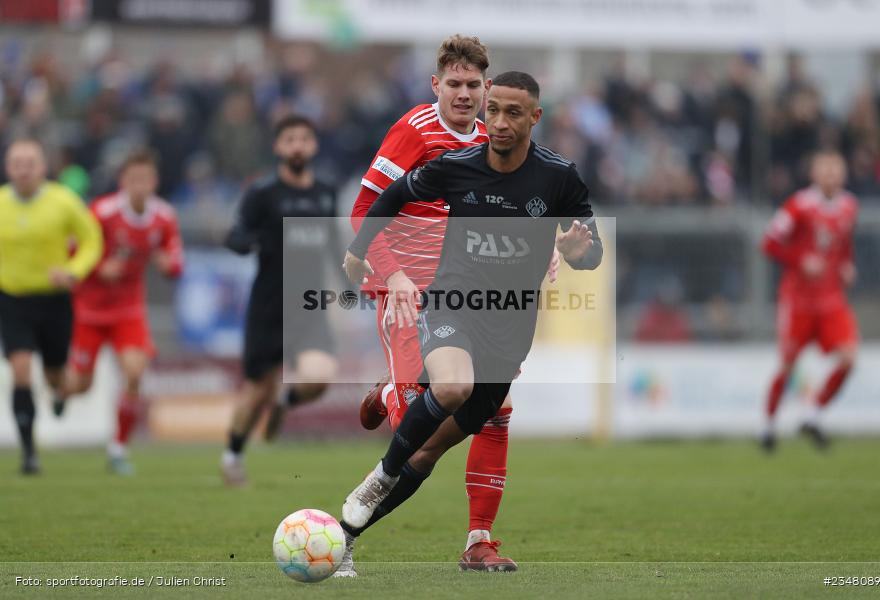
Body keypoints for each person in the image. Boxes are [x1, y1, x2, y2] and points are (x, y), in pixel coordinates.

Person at [340, 72, 602, 569]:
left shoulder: (560, 178)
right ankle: (385, 476)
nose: (500, 123)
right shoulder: (456, 165)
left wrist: (576, 253)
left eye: (513, 113)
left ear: (535, 118)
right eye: (494, 110)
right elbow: (389, 198)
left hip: (510, 331)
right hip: (452, 303)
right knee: (454, 387)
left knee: (428, 451)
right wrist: (359, 254)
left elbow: (594, 252)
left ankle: (345, 532)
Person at [220, 115, 340, 485]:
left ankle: (283, 403)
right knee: (255, 389)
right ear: (278, 147)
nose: (298, 145)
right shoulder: (262, 193)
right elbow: (236, 234)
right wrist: (246, 241)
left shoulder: (325, 192)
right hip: (269, 307)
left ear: (314, 145)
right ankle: (233, 456)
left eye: (304, 138)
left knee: (320, 378)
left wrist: (353, 282)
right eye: (290, 139)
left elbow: (334, 246)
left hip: (309, 305)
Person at [61, 149, 184, 475]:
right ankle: (61, 393)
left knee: (134, 372)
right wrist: (101, 267)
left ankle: (117, 449)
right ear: (123, 182)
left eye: (145, 179)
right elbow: (73, 251)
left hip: (128, 309)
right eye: (133, 180)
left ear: (154, 182)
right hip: (90, 309)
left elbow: (175, 257)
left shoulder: (164, 217)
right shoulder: (102, 212)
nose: (140, 186)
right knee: (80, 384)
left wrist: (169, 265)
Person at [0, 139, 102, 474]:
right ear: (8, 168)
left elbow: (92, 240)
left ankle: (59, 393)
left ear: (43, 167)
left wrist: (73, 271)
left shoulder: (63, 201)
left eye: (30, 162)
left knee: (56, 375)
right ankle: (29, 452)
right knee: (20, 368)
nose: (24, 169)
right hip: (12, 299)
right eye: (17, 163)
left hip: (54, 301)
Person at [761, 150, 858, 452]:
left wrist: (845, 266)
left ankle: (813, 415)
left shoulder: (849, 206)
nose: (831, 175)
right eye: (825, 170)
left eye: (836, 170)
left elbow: (842, 245)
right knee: (788, 366)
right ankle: (768, 426)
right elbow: (769, 243)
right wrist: (800, 260)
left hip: (831, 300)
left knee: (849, 358)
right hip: (799, 300)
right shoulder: (798, 206)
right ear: (814, 174)